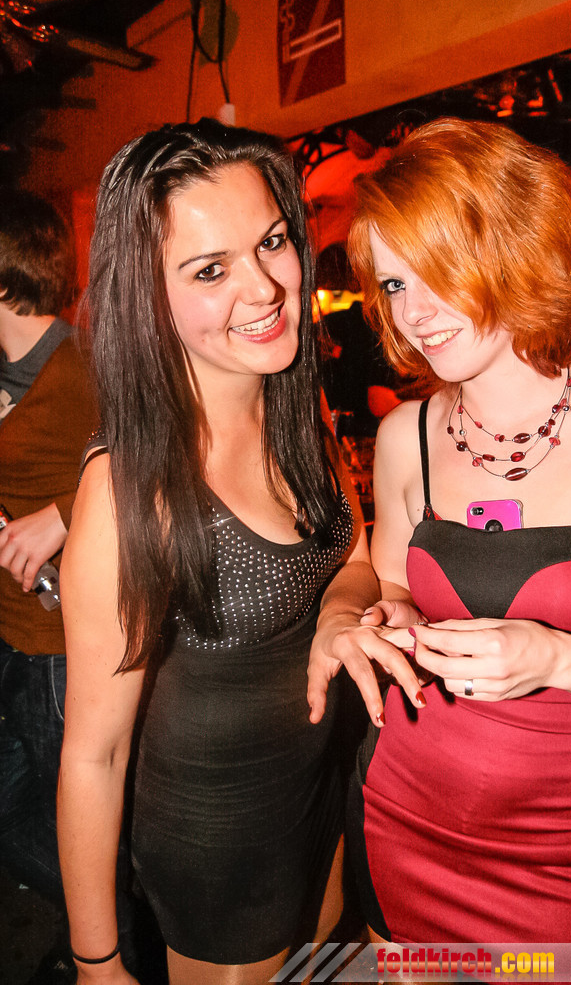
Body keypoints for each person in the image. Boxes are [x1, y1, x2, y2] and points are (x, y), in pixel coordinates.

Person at [308, 118, 571, 959]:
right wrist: (377, 619)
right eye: (393, 283)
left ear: (516, 247)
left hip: (561, 854)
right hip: (396, 809)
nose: (414, 313)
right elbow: (386, 579)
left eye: (437, 270)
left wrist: (558, 659)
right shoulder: (405, 435)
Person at [57, 119, 379, 985]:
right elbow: (93, 755)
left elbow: (352, 560)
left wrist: (341, 615)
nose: (265, 286)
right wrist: (97, 965)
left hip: (319, 801)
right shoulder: (132, 491)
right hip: (219, 852)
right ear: (147, 296)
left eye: (271, 241)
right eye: (210, 270)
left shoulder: (295, 409)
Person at [0, 189, 98, 979]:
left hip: (63, 644)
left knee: (74, 819)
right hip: (9, 633)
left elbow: (179, 459)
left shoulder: (89, 363)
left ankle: (101, 942)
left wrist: (66, 514)